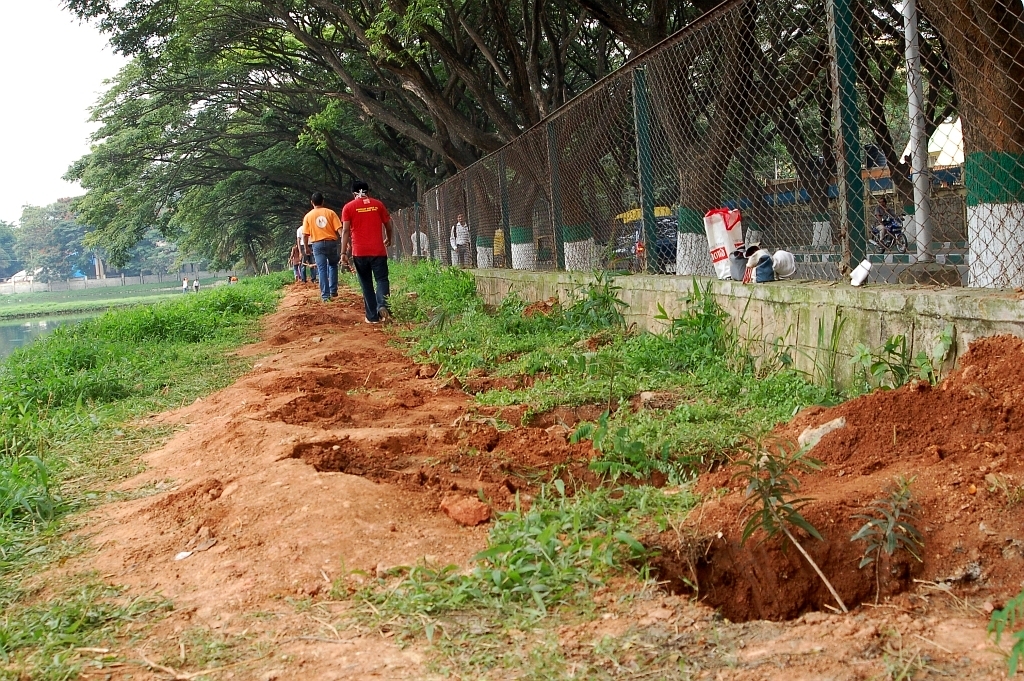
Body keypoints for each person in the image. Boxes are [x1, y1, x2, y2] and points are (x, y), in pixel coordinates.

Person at [341, 180, 393, 324]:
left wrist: (343, 253)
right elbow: (388, 226)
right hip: (378, 251)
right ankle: (382, 304)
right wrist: (389, 239)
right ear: (368, 192)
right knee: (381, 279)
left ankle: (372, 317)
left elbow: (345, 230)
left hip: (360, 252)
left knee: (366, 283)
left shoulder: (348, 208)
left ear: (353, 194)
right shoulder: (378, 204)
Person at [301, 192, 343, 302]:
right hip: (331, 243)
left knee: (322, 269)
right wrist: (345, 242)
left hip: (317, 245)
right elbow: (340, 230)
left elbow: (305, 235)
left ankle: (325, 296)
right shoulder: (331, 213)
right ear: (323, 201)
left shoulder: (308, 216)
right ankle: (333, 290)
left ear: (312, 202)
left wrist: (306, 248)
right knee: (333, 265)